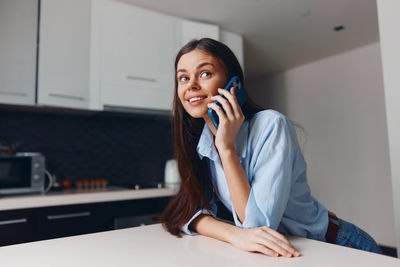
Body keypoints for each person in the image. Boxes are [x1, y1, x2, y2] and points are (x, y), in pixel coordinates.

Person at [161, 38, 382, 257]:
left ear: (233, 83)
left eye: (205, 73)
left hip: (337, 246)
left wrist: (227, 149)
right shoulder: (203, 142)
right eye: (183, 78)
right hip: (289, 253)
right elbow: (186, 214)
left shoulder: (270, 125)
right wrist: (234, 235)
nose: (191, 85)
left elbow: (257, 227)